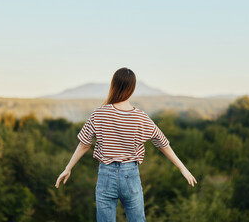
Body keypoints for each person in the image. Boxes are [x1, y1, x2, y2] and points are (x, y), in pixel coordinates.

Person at [55, 67, 197, 222]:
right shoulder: (141, 117)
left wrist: (68, 168)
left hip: (106, 175)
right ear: (132, 88)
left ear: (113, 85)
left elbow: (84, 145)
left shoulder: (99, 113)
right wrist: (182, 168)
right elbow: (163, 143)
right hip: (131, 176)